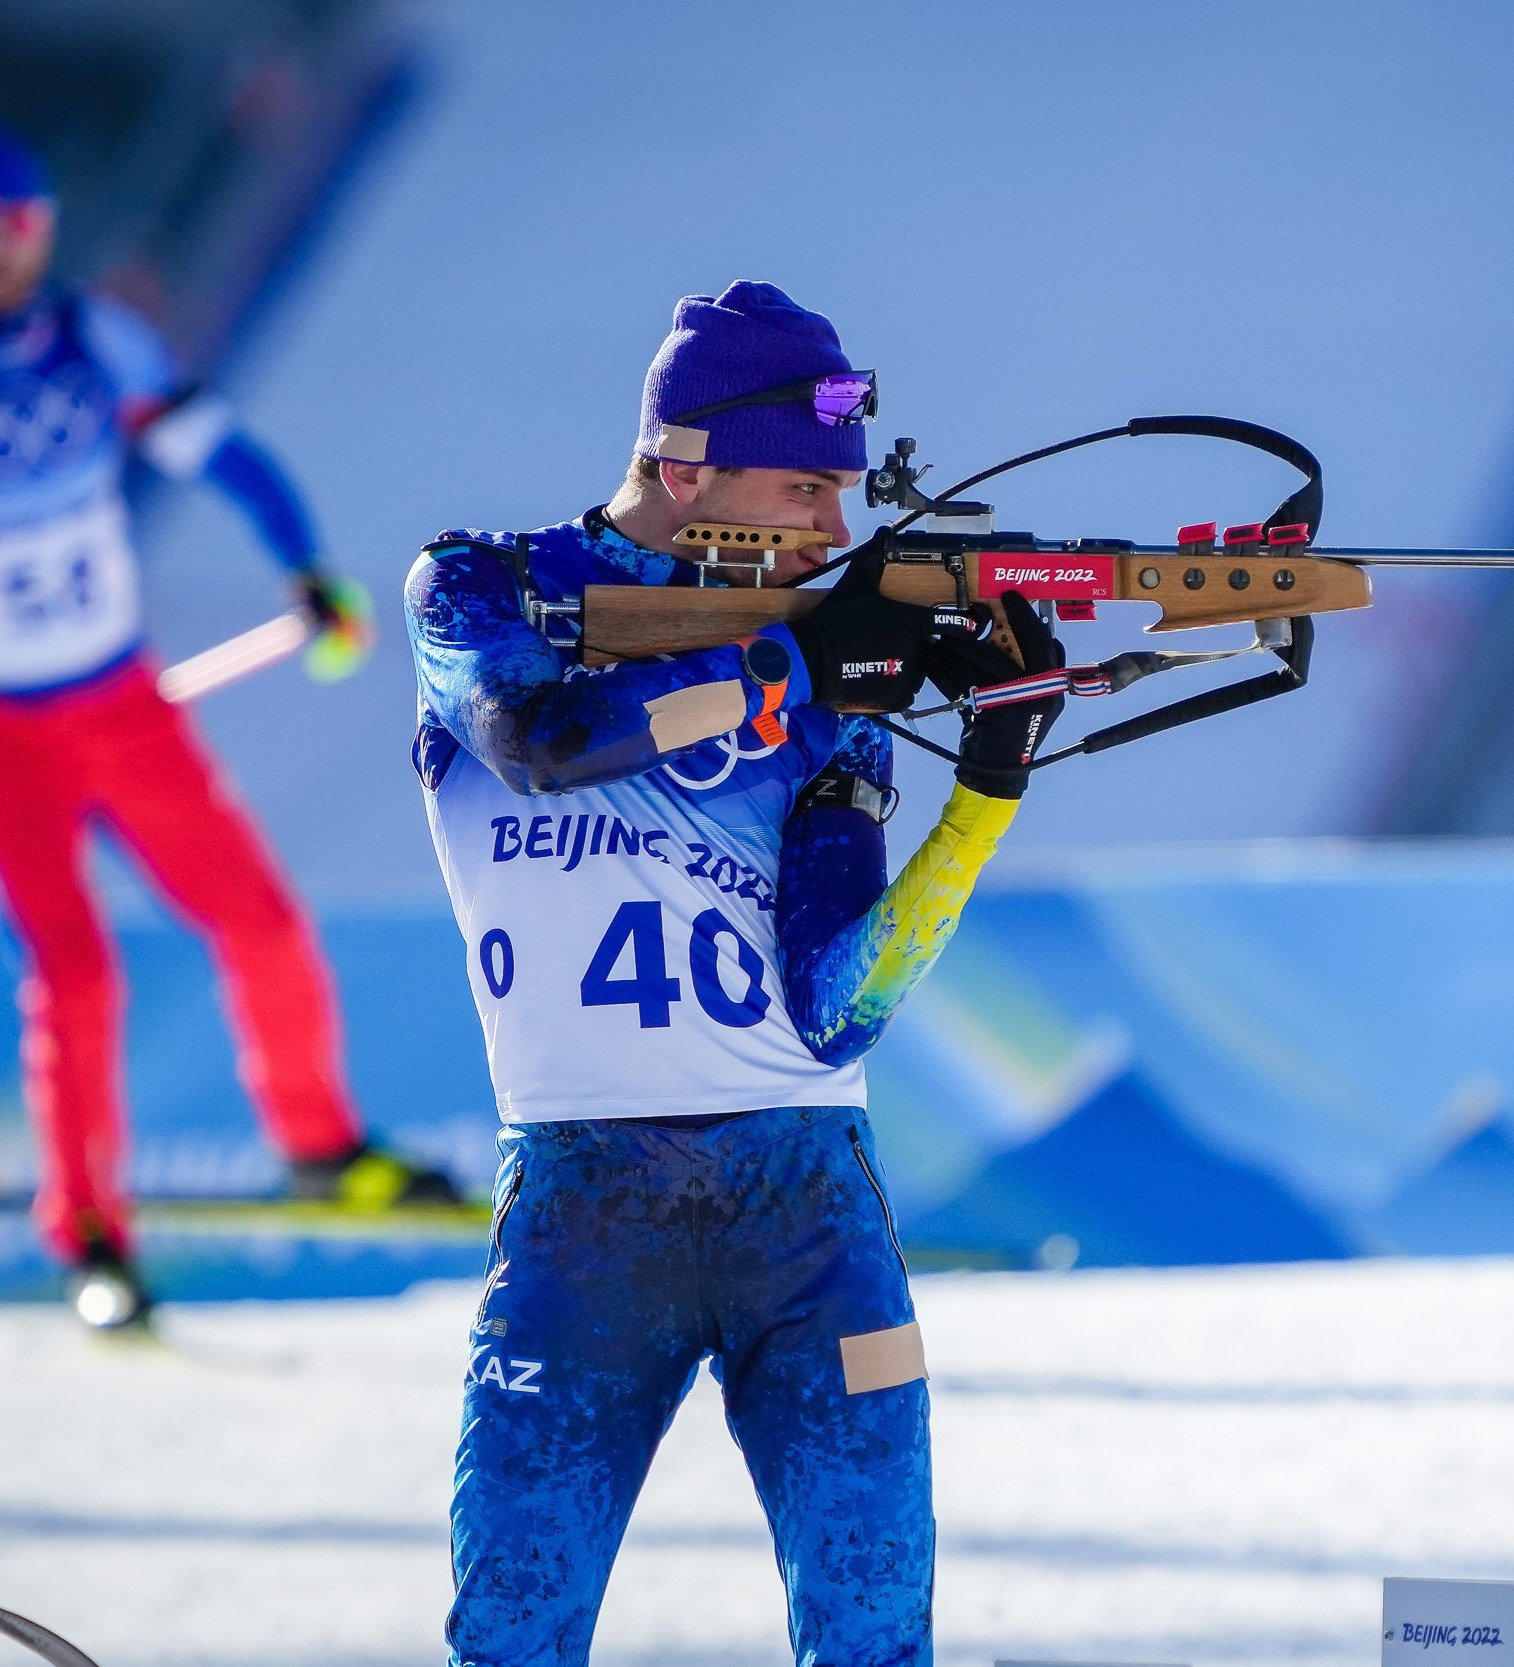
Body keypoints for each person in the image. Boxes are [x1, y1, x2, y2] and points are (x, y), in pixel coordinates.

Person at [407, 278, 1063, 1667]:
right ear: (682, 458)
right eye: (803, 488)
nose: (835, 531)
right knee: (511, 1639)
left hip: (810, 1208)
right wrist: (786, 663)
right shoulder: (484, 586)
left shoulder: (834, 678)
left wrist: (988, 787)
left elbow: (838, 1010)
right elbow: (539, 731)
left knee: (878, 1638)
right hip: (584, 1215)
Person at [0, 124, 456, 1331]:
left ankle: (318, 1142)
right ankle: (92, 1236)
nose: (1, 254)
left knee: (257, 919)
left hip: (121, 704)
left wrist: (301, 563)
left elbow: (223, 450)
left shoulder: (95, 339)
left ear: (47, 228)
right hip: (1, 739)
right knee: (75, 978)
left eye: (21, 226)